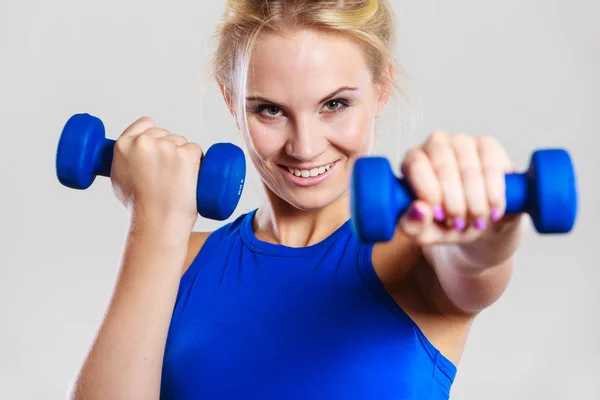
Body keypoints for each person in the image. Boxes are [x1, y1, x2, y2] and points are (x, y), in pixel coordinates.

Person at [69, 0, 524, 399]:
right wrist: (154, 221)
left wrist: (486, 223)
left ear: (381, 90)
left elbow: (476, 261)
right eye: (270, 110)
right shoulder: (177, 258)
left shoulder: (417, 254)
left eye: (335, 105)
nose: (304, 147)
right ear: (231, 101)